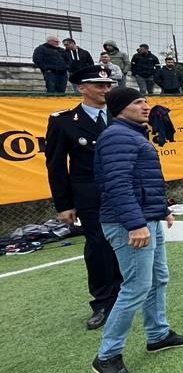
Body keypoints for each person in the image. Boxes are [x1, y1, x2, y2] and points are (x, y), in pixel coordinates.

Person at [90, 87, 183, 373]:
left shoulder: (133, 134)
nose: (146, 106)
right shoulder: (117, 136)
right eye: (138, 102)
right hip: (130, 224)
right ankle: (107, 355)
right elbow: (118, 184)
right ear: (119, 108)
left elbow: (143, 181)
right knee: (135, 287)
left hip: (146, 219)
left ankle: (158, 334)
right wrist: (135, 223)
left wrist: (161, 210)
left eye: (145, 101)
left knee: (158, 277)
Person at [44, 65, 122, 329]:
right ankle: (103, 301)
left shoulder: (121, 115)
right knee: (99, 246)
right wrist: (64, 204)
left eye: (108, 85)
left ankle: (128, 293)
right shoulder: (63, 121)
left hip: (124, 191)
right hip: (90, 194)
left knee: (129, 241)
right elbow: (56, 166)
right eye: (99, 85)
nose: (105, 90)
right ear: (82, 88)